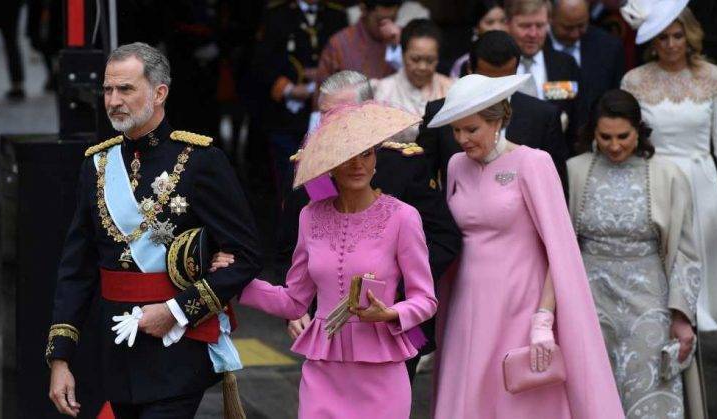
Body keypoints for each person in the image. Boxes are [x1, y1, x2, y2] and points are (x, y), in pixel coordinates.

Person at [46, 43, 263, 418]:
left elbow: (246, 256)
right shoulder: (96, 165)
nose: (113, 101)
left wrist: (177, 311)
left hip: (177, 352)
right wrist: (60, 358)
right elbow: (76, 269)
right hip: (115, 353)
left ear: (159, 92)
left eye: (125, 89)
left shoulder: (200, 161)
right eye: (108, 90)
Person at [217, 102, 438, 418]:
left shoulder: (403, 217)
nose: (358, 164)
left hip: (382, 374)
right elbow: (294, 301)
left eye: (366, 154)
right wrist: (237, 282)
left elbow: (425, 299)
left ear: (376, 159)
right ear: (330, 164)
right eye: (347, 156)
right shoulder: (309, 216)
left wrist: (390, 313)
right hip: (322, 372)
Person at [429, 74, 623, 418]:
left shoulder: (533, 162)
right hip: (466, 303)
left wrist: (543, 318)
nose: (461, 139)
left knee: (519, 402)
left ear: (499, 120)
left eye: (471, 129)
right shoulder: (456, 165)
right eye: (456, 130)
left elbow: (560, 248)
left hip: (521, 303)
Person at [278, 71, 460, 382]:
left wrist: (395, 288)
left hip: (390, 319)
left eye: (343, 113)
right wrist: (295, 310)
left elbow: (444, 238)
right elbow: (290, 249)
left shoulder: (403, 164)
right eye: (326, 114)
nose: (333, 123)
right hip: (327, 326)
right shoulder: (306, 169)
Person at [567, 89, 704, 418]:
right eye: (605, 137)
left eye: (623, 136)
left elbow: (685, 253)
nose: (614, 146)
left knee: (650, 392)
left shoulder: (668, 174)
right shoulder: (573, 171)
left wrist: (681, 315)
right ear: (593, 133)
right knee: (592, 393)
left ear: (639, 131)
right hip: (589, 299)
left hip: (649, 302)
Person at [621, 2, 717, 335]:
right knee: (658, 265)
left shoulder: (713, 78)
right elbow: (626, 140)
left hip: (701, 182)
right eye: (662, 37)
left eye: (677, 36)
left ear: (690, 36)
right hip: (654, 181)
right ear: (652, 40)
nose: (670, 44)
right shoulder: (635, 80)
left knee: (699, 269)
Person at [418, 30, 568, 191]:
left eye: (504, 80)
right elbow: (423, 179)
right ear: (470, 69)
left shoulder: (543, 116)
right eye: (488, 81)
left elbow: (555, 188)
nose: (496, 90)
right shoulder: (440, 114)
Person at [252, 0, 348, 197]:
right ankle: (294, 214)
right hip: (286, 114)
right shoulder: (276, 14)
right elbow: (262, 62)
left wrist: (321, 77)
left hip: (326, 111)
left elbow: (343, 60)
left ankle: (319, 212)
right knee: (290, 179)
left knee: (323, 178)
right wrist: (288, 88)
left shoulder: (336, 15)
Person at [506, 0, 581, 149]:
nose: (533, 34)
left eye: (540, 26)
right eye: (525, 26)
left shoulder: (565, 64)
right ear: (508, 24)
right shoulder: (495, 65)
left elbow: (576, 113)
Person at [372, 19, 451, 143]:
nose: (422, 67)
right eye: (415, 59)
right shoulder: (385, 89)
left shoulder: (450, 88)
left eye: (430, 60)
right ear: (403, 55)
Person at [549, 0, 625, 128]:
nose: (575, 34)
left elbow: (615, 98)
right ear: (550, 18)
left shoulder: (609, 48)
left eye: (581, 25)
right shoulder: (536, 48)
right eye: (568, 28)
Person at [317, 0, 403, 82]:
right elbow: (323, 88)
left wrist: (399, 46)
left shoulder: (403, 38)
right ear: (363, 9)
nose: (388, 28)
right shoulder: (339, 45)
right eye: (380, 22)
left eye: (393, 20)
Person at [448, 0, 507, 79]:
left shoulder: (517, 57)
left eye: (503, 21)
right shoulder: (465, 62)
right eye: (490, 22)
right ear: (476, 28)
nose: (498, 28)